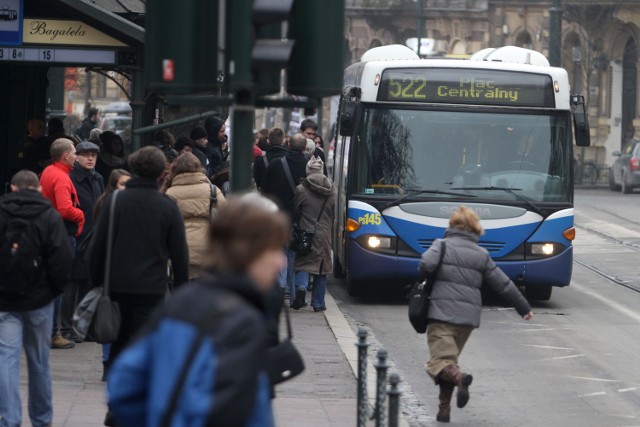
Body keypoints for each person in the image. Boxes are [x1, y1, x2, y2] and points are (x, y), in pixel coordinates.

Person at [107, 197, 289, 427]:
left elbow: (125, 382)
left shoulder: (179, 303)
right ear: (249, 252)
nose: (281, 262)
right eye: (273, 250)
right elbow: (231, 411)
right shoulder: (243, 321)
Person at [89, 146, 189, 426]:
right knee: (147, 351)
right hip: (152, 290)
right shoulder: (167, 206)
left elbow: (98, 247)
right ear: (161, 173)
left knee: (119, 348)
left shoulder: (115, 201)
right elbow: (180, 255)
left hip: (117, 287)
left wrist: (96, 283)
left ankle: (117, 407)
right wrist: (181, 292)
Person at [418, 205, 533, 423]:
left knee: (440, 362)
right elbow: (503, 283)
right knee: (448, 361)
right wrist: (523, 307)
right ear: (475, 228)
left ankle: (461, 378)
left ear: (452, 224)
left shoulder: (441, 245)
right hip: (467, 321)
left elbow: (425, 265)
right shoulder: (481, 254)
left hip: (442, 315)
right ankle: (444, 411)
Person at [0, 170, 73, 427]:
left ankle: (9, 420)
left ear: (13, 188)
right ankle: (42, 420)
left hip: (5, 301)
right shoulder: (48, 216)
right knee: (39, 361)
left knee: (6, 360)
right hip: (40, 300)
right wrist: (53, 291)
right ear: (39, 190)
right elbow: (62, 259)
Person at [39, 138, 85, 350]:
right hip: (63, 235)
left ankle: (44, 330)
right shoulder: (61, 177)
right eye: (74, 152)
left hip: (49, 232)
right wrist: (81, 214)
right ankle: (52, 334)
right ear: (65, 155)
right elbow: (65, 209)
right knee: (59, 284)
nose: (77, 156)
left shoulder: (48, 172)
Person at [92, 168, 131, 382]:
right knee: (111, 317)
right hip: (112, 269)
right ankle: (108, 362)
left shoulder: (118, 203)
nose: (126, 188)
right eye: (123, 184)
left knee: (114, 317)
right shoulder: (109, 203)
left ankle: (111, 362)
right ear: (114, 184)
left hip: (116, 268)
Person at [163, 152, 227, 280]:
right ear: (199, 168)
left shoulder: (169, 193)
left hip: (179, 253)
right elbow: (227, 218)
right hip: (208, 252)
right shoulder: (213, 191)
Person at [261, 133, 308, 301]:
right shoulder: (308, 164)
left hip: (279, 215)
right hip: (301, 216)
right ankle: (296, 288)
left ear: (288, 145)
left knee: (281, 250)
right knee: (298, 252)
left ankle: (281, 285)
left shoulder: (276, 164)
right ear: (304, 148)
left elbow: (265, 190)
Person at [66, 141, 105, 342]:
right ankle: (67, 328)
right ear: (77, 157)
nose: (90, 158)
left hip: (94, 237)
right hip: (77, 235)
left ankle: (83, 327)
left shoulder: (98, 178)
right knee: (72, 283)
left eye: (93, 155)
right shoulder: (71, 179)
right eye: (85, 155)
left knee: (89, 284)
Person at [291, 156, 335, 311]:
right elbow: (332, 212)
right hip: (324, 234)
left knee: (303, 262)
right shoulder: (331, 190)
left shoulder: (301, 189)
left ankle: (301, 287)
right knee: (321, 268)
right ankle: (318, 303)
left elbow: (296, 210)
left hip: (305, 232)